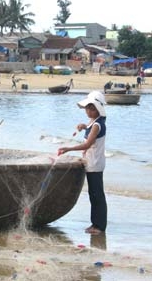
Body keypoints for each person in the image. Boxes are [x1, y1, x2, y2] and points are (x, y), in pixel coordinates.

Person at [57, 91, 107, 236]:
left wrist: (68, 149)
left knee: (97, 195)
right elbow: (91, 130)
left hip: (94, 163)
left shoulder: (97, 125)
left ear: (98, 109)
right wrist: (84, 126)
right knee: (94, 194)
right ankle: (95, 223)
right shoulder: (94, 122)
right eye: (87, 108)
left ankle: (99, 226)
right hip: (91, 161)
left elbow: (87, 144)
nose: (88, 111)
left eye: (91, 109)